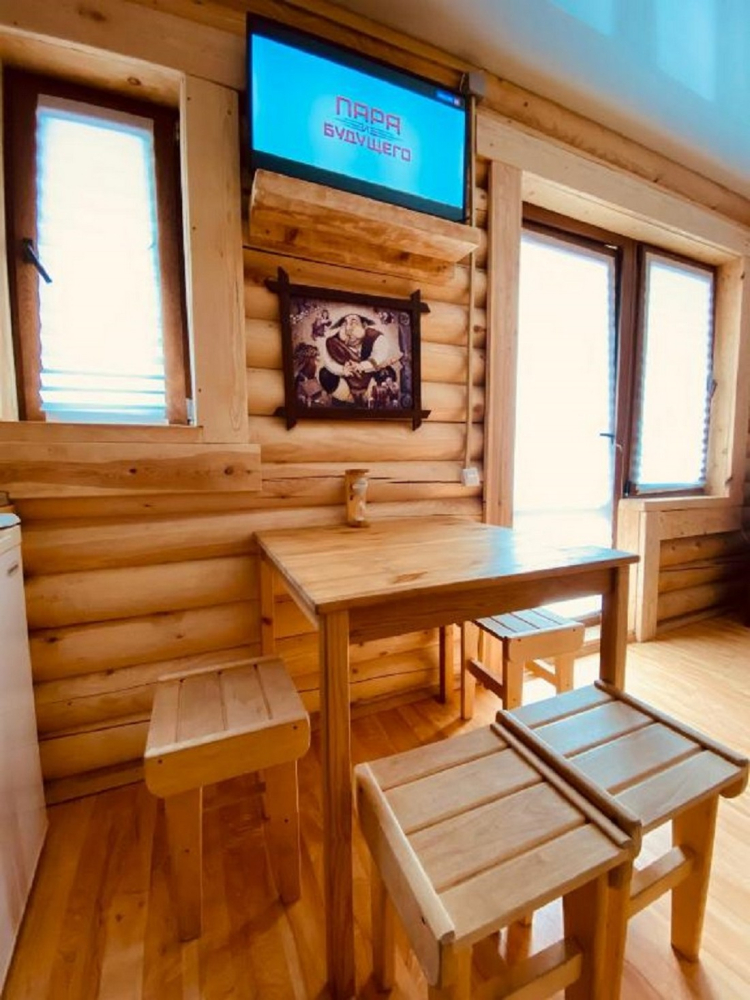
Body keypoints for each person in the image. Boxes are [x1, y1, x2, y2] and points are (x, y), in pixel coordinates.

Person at [319, 313, 400, 405]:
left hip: (370, 380)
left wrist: (363, 366)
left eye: (353, 322)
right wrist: (342, 370)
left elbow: (380, 354)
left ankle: (374, 399)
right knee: (325, 374)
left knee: (387, 373)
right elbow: (329, 362)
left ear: (364, 325)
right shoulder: (334, 342)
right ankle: (345, 401)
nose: (348, 328)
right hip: (344, 385)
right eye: (345, 323)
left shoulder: (374, 337)